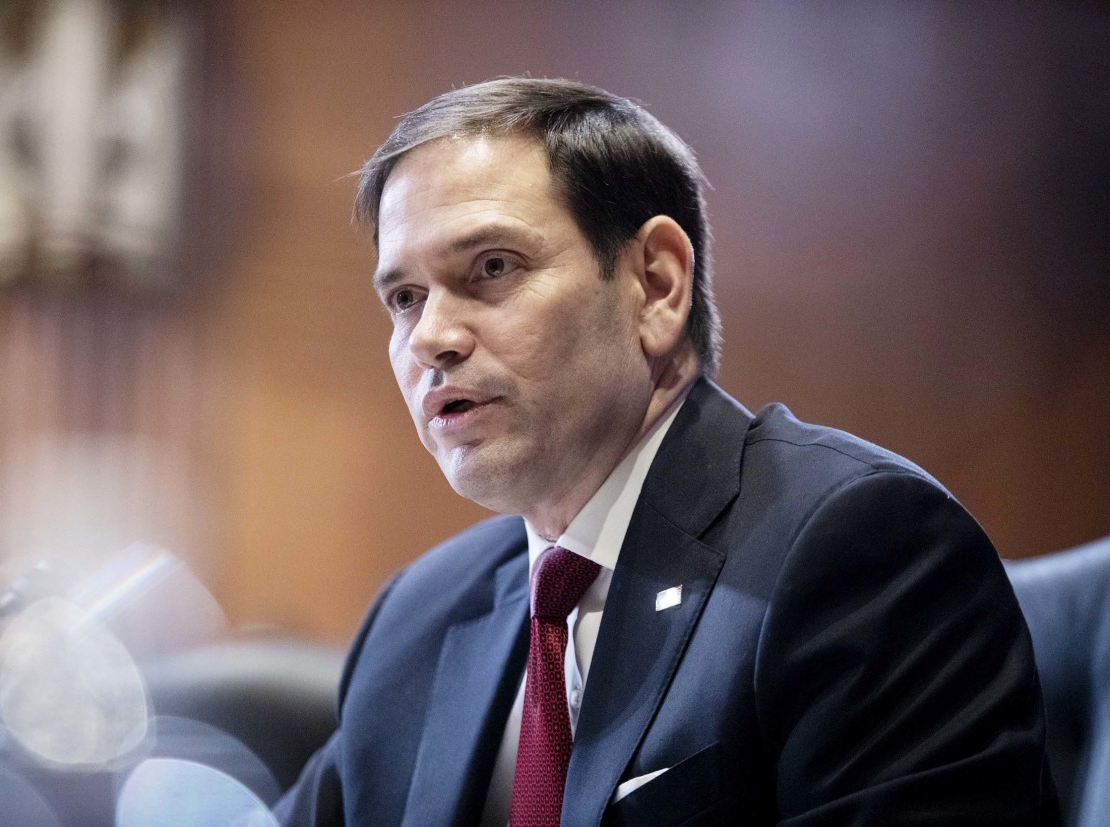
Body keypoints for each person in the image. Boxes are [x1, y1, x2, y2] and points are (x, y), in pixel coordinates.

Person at [274, 78, 1059, 826]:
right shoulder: (420, 616)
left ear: (655, 285)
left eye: (491, 268)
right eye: (404, 298)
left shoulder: (861, 552)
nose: (432, 339)